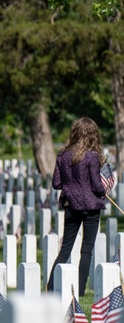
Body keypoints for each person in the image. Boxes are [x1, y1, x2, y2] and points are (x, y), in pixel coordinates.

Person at [47, 116, 108, 295]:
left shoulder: (62, 155)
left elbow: (56, 183)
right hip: (90, 207)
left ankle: (51, 287)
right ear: (93, 135)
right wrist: (104, 190)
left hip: (71, 206)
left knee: (65, 249)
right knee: (86, 250)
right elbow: (97, 185)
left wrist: (70, 185)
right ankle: (79, 290)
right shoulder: (92, 156)